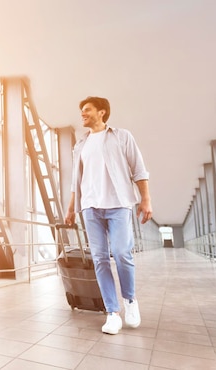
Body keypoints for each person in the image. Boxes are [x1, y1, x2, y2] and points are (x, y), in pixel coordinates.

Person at [64, 96, 152, 335]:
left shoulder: (122, 136)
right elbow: (76, 181)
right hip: (90, 207)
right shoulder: (80, 145)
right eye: (81, 110)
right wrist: (71, 208)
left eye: (87, 110)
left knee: (122, 253)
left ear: (102, 112)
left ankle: (130, 301)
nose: (83, 114)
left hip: (118, 204)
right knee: (100, 259)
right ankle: (112, 313)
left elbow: (139, 169)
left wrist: (146, 199)